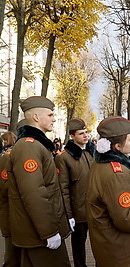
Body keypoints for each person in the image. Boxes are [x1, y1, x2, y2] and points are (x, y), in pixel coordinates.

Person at [86, 116, 130, 267]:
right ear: (118, 147)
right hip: (122, 252)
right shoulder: (117, 174)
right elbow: (126, 218)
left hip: (110, 246)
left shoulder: (100, 164)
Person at [7, 96, 71, 266]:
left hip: (40, 230)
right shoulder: (29, 146)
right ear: (36, 117)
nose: (54, 119)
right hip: (39, 234)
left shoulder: (37, 144)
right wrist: (48, 232)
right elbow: (34, 193)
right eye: (50, 115)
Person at [55, 118, 95, 267]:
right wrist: (69, 215)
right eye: (81, 133)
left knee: (100, 243)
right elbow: (63, 188)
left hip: (96, 208)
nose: (86, 136)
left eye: (86, 132)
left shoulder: (92, 153)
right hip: (78, 211)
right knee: (79, 246)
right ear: (72, 136)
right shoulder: (64, 157)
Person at [0, 130, 20, 266]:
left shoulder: (9, 155)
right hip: (10, 209)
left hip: (13, 210)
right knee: (11, 255)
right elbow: (4, 186)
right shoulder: (7, 156)